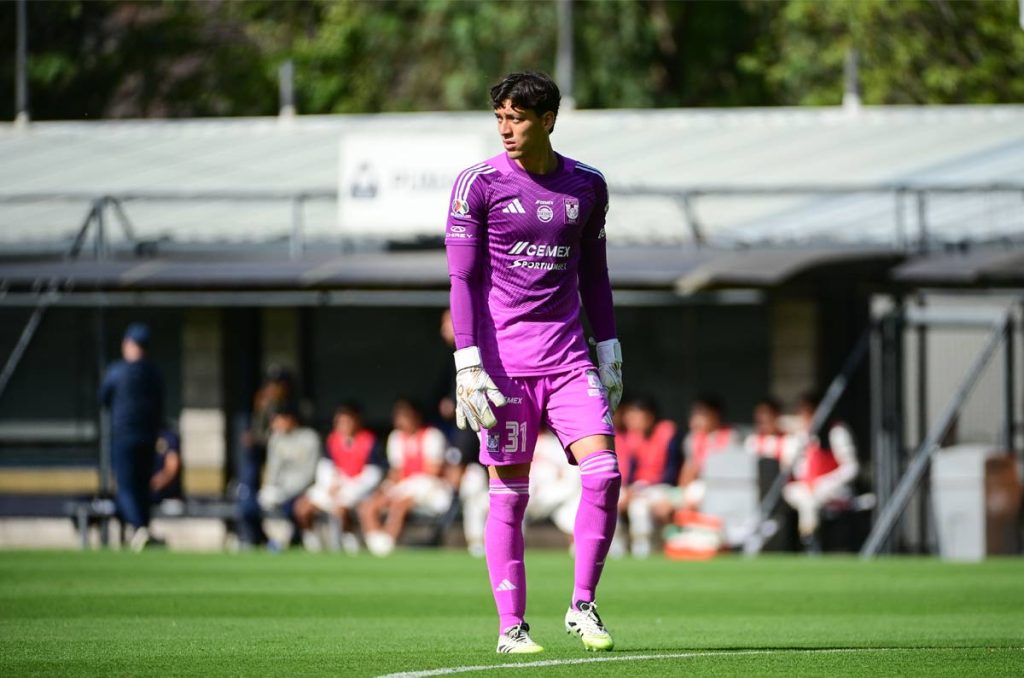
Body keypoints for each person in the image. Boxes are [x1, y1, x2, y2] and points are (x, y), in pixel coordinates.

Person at [445, 71, 623, 654]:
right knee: (510, 495)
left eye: (517, 118)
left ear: (547, 120)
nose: (506, 129)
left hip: (570, 359)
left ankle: (583, 605)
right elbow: (463, 278)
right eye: (499, 117)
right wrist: (467, 360)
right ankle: (511, 627)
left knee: (605, 473)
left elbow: (594, 274)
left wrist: (610, 345)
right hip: (502, 368)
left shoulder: (587, 186)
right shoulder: (478, 184)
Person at [99, 322, 164, 552]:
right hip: (148, 437)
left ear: (129, 344)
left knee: (126, 486)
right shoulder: (154, 373)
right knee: (141, 486)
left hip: (125, 437)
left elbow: (103, 398)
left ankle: (139, 528)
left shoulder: (117, 371)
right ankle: (142, 529)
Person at [359, 398, 452, 557]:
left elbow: (433, 471)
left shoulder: (432, 435)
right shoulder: (395, 437)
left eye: (405, 416)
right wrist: (386, 489)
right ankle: (377, 547)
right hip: (405, 487)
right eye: (398, 416)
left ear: (416, 416)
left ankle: (386, 546)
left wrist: (402, 487)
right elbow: (397, 472)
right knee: (369, 506)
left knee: (399, 505)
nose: (400, 421)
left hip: (431, 491)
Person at [292, 404, 384, 553]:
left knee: (342, 509)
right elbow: (326, 467)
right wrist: (331, 484)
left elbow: (373, 475)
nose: (343, 426)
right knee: (302, 508)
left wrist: (348, 487)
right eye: (340, 422)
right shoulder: (333, 440)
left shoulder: (369, 441)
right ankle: (313, 542)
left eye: (347, 421)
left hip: (356, 490)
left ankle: (351, 541)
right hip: (333, 487)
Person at [781, 392, 860, 546]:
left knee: (810, 499)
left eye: (809, 411)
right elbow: (793, 468)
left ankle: (810, 540)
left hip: (833, 489)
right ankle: (809, 538)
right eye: (802, 412)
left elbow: (852, 468)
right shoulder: (799, 436)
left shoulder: (836, 431)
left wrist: (821, 483)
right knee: (803, 497)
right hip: (806, 489)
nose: (805, 416)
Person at [615, 397, 682, 558]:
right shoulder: (633, 437)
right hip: (638, 488)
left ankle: (643, 551)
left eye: (637, 416)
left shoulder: (667, 432)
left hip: (662, 488)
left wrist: (642, 490)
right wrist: (630, 490)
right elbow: (631, 473)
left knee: (639, 509)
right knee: (613, 501)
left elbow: (672, 472)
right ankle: (615, 551)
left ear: (650, 416)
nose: (632, 420)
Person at [237, 364, 295, 547]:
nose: (273, 388)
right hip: (259, 456)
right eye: (271, 383)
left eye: (278, 383)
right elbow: (258, 431)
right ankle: (252, 535)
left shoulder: (291, 405)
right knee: (247, 496)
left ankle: (293, 538)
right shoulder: (261, 400)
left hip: (284, 460)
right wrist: (253, 437)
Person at [251, 405, 319, 549]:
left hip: (305, 490)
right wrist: (269, 488)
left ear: (290, 419)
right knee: (256, 505)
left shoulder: (309, 438)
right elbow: (272, 469)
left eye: (278, 421)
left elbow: (309, 473)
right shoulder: (276, 439)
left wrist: (285, 493)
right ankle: (273, 541)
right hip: (280, 490)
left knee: (298, 508)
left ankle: (306, 542)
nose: (275, 425)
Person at [677, 395, 738, 510]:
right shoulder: (691, 439)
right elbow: (688, 472)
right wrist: (682, 495)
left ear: (715, 415)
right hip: (699, 485)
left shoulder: (731, 436)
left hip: (723, 487)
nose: (696, 419)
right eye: (694, 414)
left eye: (702, 414)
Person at [744, 396, 787, 461]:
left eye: (764, 412)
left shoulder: (788, 441)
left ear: (776, 415)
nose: (760, 418)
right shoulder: (751, 441)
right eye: (758, 413)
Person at [151, 428, 184, 504]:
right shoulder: (139, 435)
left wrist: (154, 484)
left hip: (167, 497)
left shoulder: (168, 437)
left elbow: (172, 467)